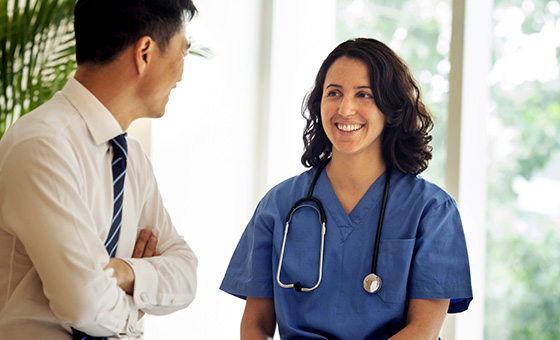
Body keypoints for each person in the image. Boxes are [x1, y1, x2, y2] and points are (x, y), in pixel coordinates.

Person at [220, 38, 473, 339]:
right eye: (334, 93)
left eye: (364, 95)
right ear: (320, 104)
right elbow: (255, 325)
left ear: (390, 110)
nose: (345, 108)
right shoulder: (279, 204)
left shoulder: (432, 210)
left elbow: (423, 330)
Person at [0, 0, 198, 338]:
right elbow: (85, 304)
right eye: (183, 52)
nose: (182, 72)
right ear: (145, 53)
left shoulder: (131, 156)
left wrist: (124, 272)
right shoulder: (42, 145)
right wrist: (135, 306)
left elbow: (185, 273)